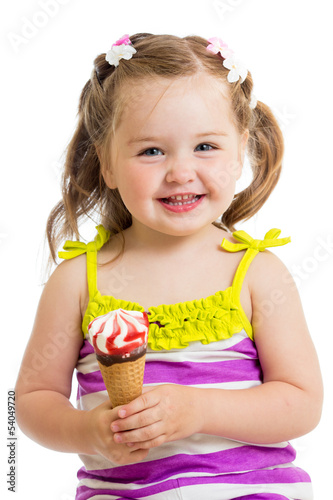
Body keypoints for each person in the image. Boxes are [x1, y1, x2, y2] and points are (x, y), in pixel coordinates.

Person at [15, 33, 323, 499]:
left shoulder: (258, 274)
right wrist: (88, 432)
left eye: (205, 147)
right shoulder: (78, 281)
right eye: (151, 151)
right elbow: (33, 401)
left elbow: (301, 404)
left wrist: (199, 409)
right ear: (107, 164)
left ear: (241, 150)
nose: (180, 172)